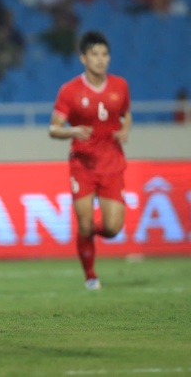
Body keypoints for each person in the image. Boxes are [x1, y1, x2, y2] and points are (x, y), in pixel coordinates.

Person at [48, 31, 132, 290]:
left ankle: (86, 235)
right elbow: (53, 128)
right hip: (82, 165)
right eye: (94, 54)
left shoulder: (120, 86)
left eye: (104, 54)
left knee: (113, 228)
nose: (100, 60)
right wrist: (72, 131)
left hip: (111, 163)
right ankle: (91, 276)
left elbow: (126, 114)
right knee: (84, 221)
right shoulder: (70, 90)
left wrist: (126, 129)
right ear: (83, 58)